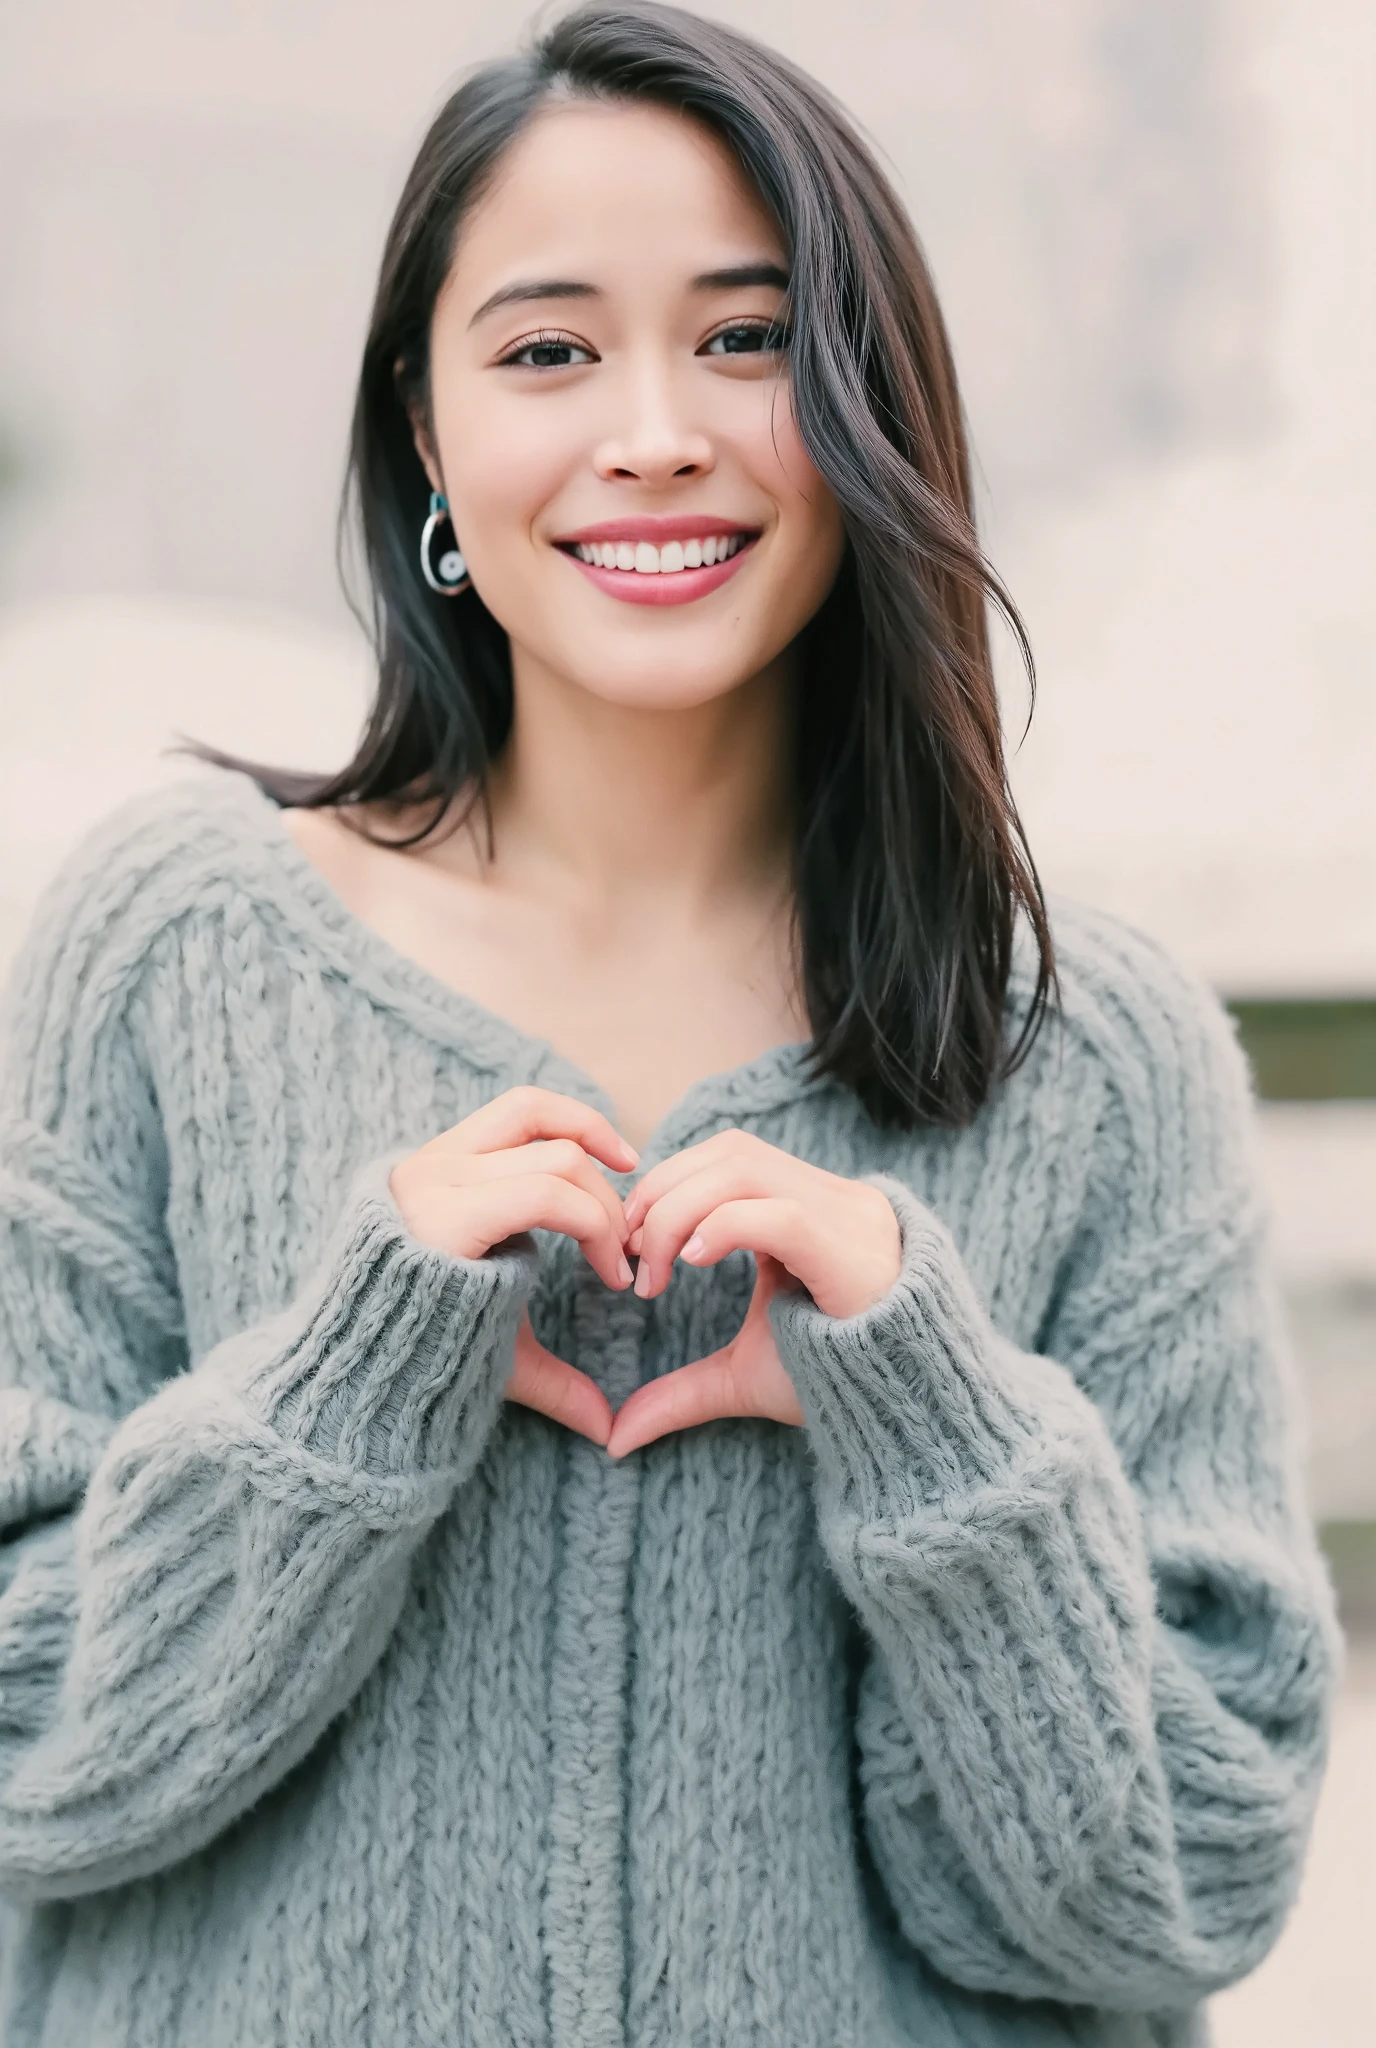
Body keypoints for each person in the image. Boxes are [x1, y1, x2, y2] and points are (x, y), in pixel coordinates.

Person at [0, 6, 1342, 2044]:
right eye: (547, 349)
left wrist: (937, 1418)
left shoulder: (1096, 1055)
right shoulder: (168, 949)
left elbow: (1180, 1892)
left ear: (869, 401)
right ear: (428, 434)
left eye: (743, 338)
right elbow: (33, 1761)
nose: (652, 430)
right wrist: (343, 1386)